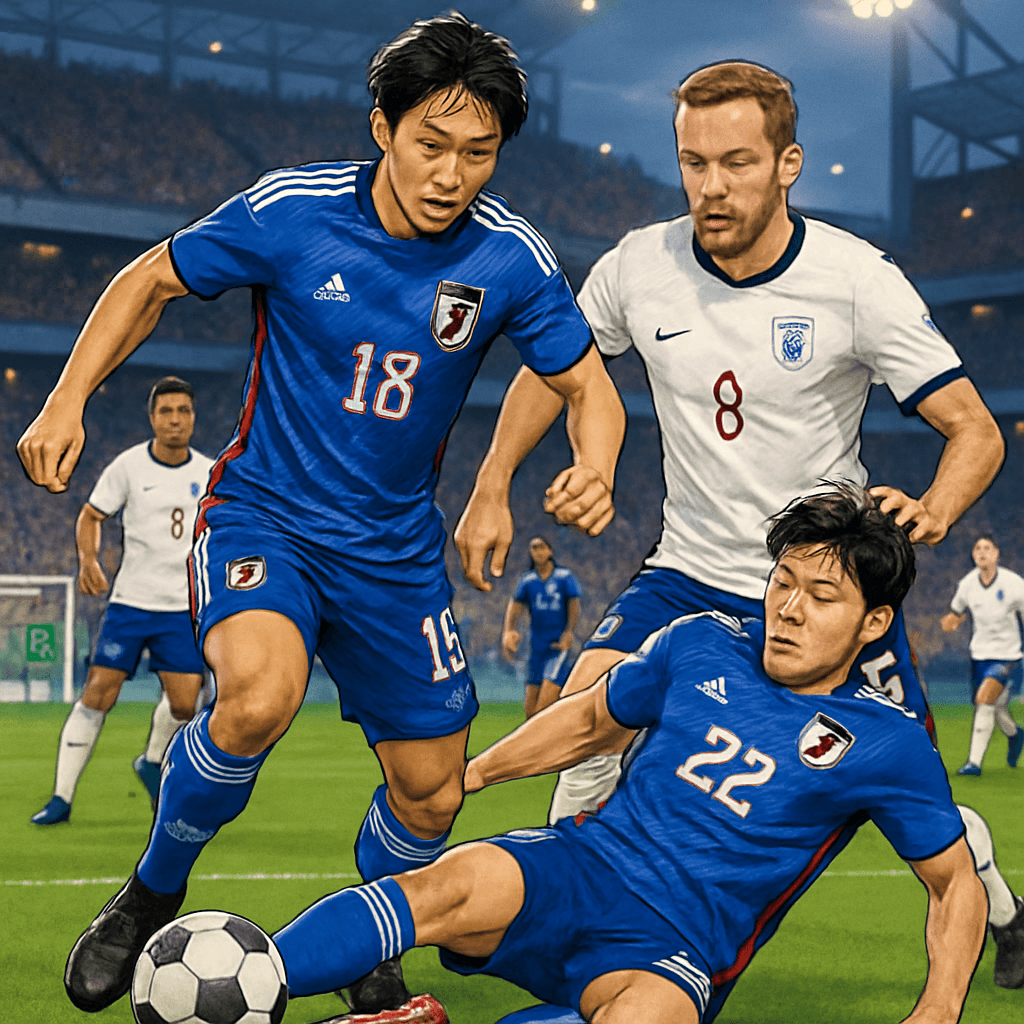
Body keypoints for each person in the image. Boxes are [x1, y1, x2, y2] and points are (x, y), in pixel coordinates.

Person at [16, 12, 624, 1016]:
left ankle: (374, 936)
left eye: (479, 153)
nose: (452, 174)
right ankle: (152, 889)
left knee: (433, 789)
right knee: (257, 696)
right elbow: (152, 277)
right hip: (268, 518)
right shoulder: (292, 211)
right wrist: (65, 397)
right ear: (381, 127)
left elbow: (588, 387)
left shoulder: (510, 257)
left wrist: (594, 464)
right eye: (431, 144)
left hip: (394, 553)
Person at [455, 59, 1024, 991]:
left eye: (737, 163)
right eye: (692, 163)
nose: (711, 187)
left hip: (817, 592)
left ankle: (1001, 910)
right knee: (584, 729)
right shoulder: (639, 263)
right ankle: (579, 927)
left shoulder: (854, 280)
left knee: (917, 799)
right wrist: (494, 484)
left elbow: (973, 428)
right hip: (686, 568)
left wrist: (938, 506)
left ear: (787, 163)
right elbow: (553, 368)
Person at [268, 487, 986, 1024]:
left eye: (822, 596)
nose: (790, 608)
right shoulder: (702, 639)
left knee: (650, 1017)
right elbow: (588, 720)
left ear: (875, 622)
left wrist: (938, 1009)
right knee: (450, 880)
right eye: (783, 582)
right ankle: (256, 972)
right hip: (581, 866)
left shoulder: (887, 741)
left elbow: (955, 886)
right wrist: (476, 773)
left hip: (675, 944)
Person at [30, 377, 213, 826]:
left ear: (193, 417)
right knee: (98, 694)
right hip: (131, 603)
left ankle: (152, 762)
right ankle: (61, 798)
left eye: (183, 411)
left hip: (183, 608)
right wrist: (88, 559)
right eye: (166, 411)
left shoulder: (210, 472)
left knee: (187, 705)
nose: (175, 420)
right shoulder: (129, 466)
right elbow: (92, 514)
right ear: (152, 418)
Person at [940, 535, 1024, 775]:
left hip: (1008, 656)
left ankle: (973, 764)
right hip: (979, 655)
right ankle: (1016, 735)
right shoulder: (967, 584)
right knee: (993, 708)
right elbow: (955, 613)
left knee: (985, 701)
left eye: (987, 548)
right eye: (977, 548)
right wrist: (950, 622)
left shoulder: (1014, 583)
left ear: (996, 554)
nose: (982, 552)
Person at [502, 536, 581, 717]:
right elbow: (515, 605)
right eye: (534, 548)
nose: (538, 551)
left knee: (544, 707)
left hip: (556, 647)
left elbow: (574, 603)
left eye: (541, 547)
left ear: (550, 551)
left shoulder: (564, 577)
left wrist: (568, 632)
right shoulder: (528, 581)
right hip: (536, 648)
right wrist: (509, 630)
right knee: (530, 711)